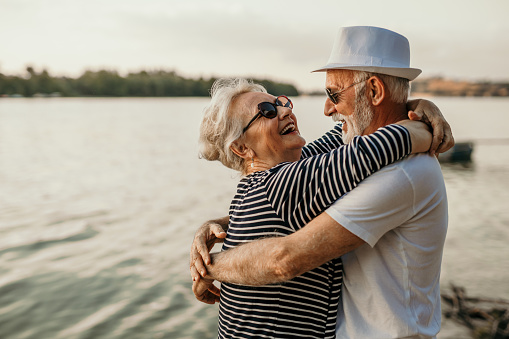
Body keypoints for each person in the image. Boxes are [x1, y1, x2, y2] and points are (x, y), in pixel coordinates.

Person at [191, 26, 452, 338]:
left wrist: (416, 110)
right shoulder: (291, 181)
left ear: (374, 91)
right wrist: (417, 128)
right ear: (242, 148)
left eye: (281, 102)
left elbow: (347, 145)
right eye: (268, 111)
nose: (326, 109)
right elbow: (369, 147)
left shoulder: (396, 170)